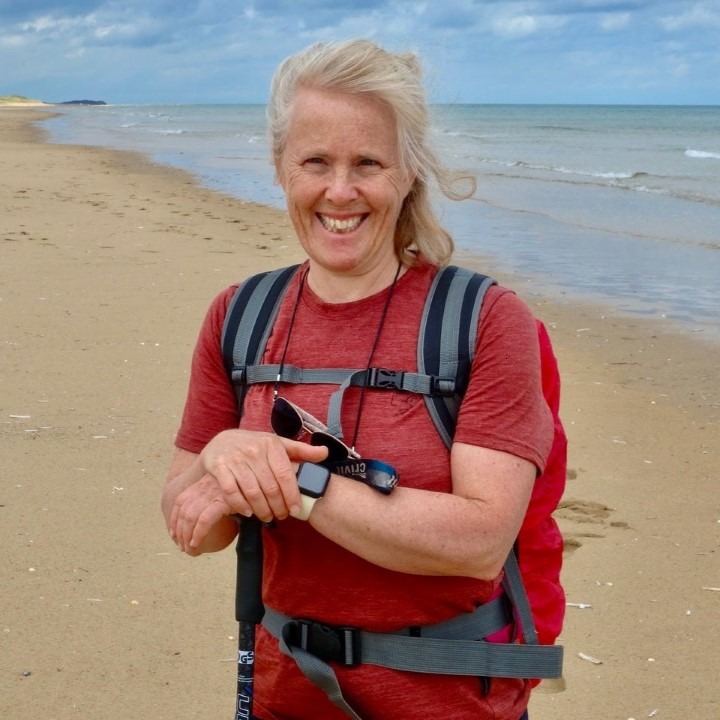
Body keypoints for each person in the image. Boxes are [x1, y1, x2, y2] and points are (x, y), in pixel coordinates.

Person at [162, 39, 555, 720]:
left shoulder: (485, 320)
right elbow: (194, 529)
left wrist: (298, 484)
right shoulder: (240, 316)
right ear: (281, 168)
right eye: (316, 161)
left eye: (367, 163)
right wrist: (220, 458)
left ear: (407, 175)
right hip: (285, 695)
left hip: (454, 704)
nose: (340, 192)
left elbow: (480, 541)